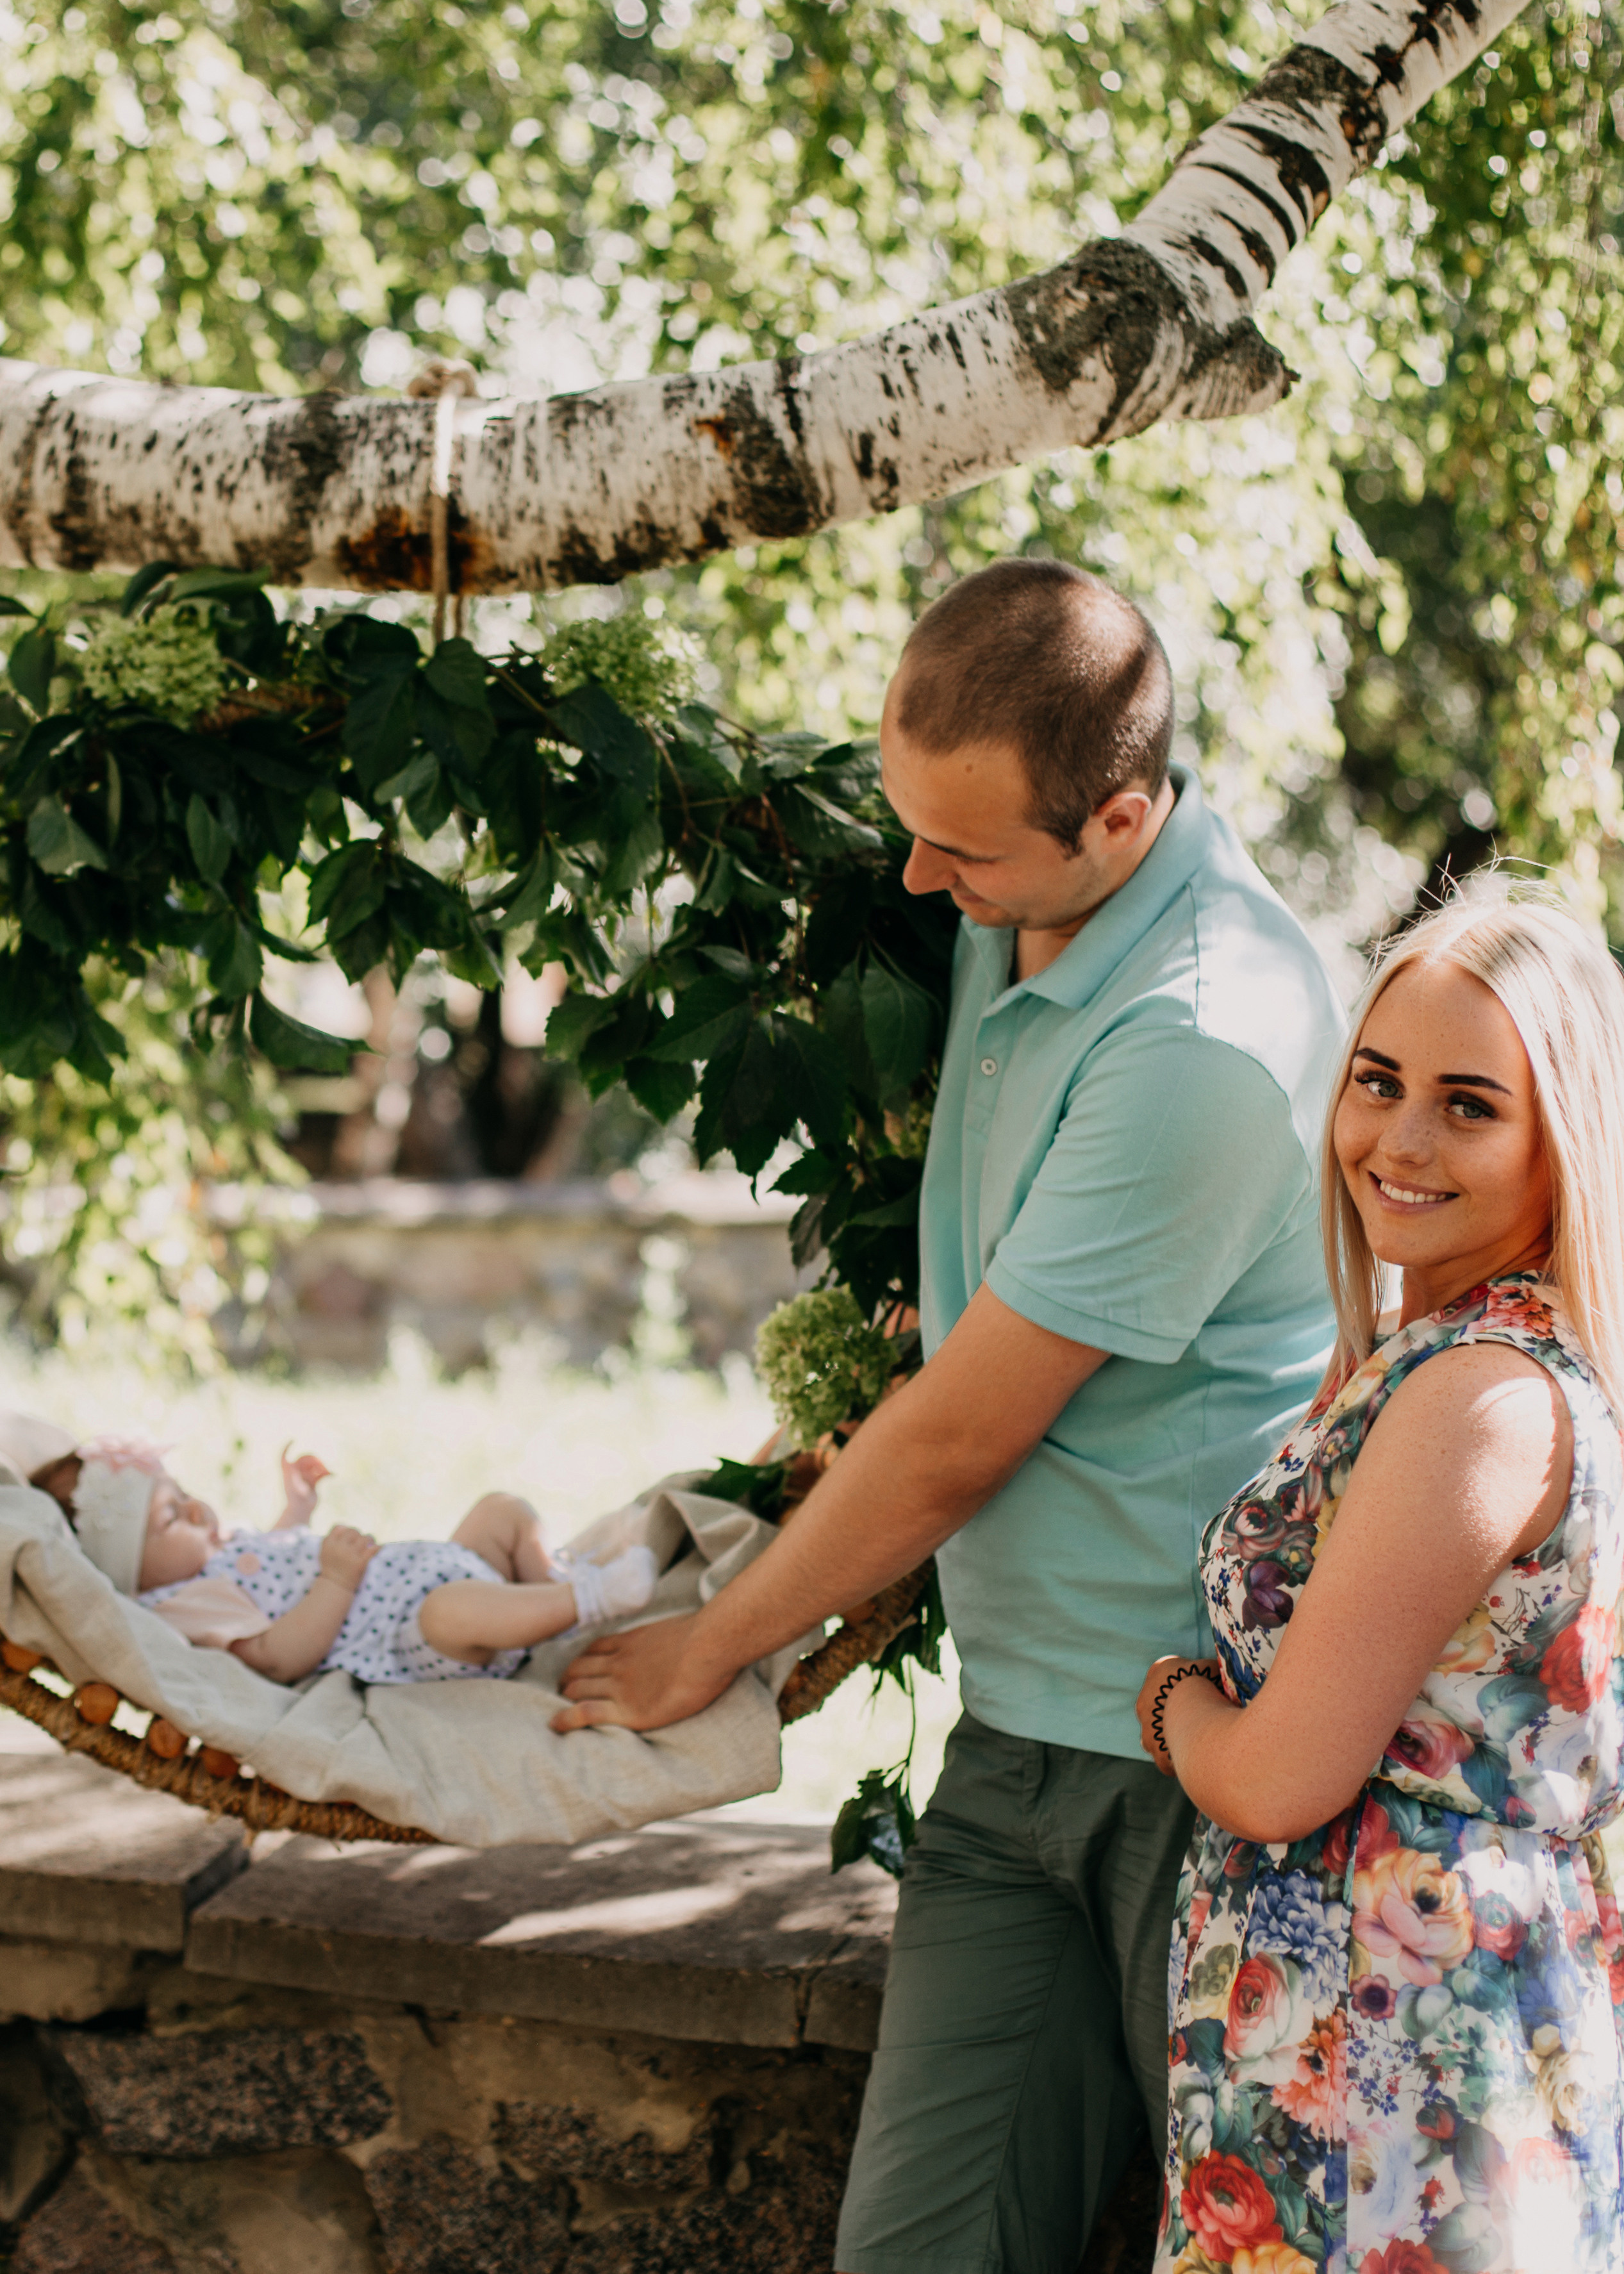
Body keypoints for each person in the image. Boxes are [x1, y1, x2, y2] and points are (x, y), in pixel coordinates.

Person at [553, 558, 1347, 2270]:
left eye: (957, 850)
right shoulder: (1021, 893)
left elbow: (955, 1435)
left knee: (1260, 2253)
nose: (912, 878)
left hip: (1196, 1748)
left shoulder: (1201, 1034)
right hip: (1014, 1737)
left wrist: (714, 1647)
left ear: (1120, 815)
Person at [1137, 894, 1624, 2274]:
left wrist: (1171, 1699)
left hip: (1398, 2080)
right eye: (1375, 1082)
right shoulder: (1432, 1353)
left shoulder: (1482, 1393)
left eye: (1467, 1104)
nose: (1397, 1140)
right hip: (1359, 2052)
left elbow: (1281, 1777)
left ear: (1560, 1138)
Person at [31, 1434, 656, 1686]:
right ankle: (585, 1598)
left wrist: (296, 1508)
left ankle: (556, 1605)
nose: (199, 1512)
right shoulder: (181, 1603)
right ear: (130, 1573)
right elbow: (275, 1653)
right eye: (171, 1518)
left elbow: (274, 1561)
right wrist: (336, 1577)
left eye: (185, 1496)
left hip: (426, 1567)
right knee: (452, 1610)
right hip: (408, 1634)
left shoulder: (217, 1555)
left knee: (501, 1509)